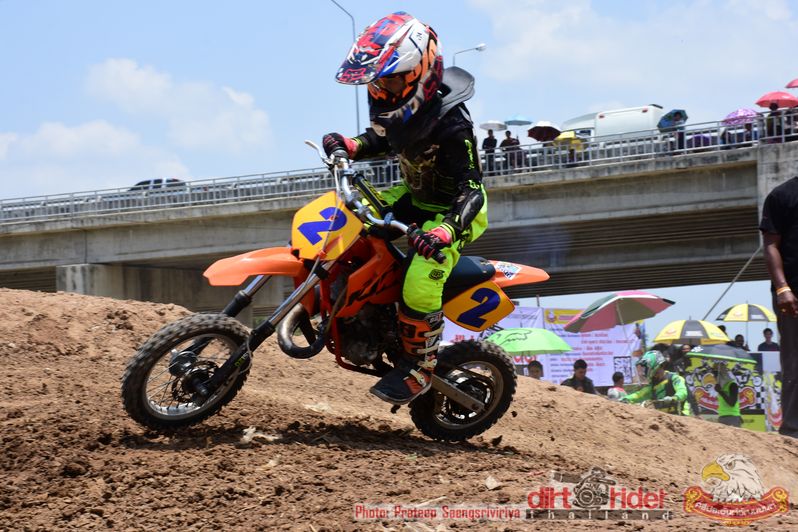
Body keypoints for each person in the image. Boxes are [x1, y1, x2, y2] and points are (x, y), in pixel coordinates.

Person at [322, 12, 488, 405]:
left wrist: (445, 231)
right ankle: (356, 310)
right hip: (413, 195)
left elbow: (472, 190)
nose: (382, 90)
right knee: (349, 222)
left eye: (391, 80)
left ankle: (420, 367)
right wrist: (350, 146)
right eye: (377, 82)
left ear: (420, 71)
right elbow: (383, 138)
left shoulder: (453, 126)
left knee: (420, 277)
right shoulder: (405, 109)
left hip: (453, 211)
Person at [760, 175, 798, 438]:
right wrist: (783, 288)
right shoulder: (782, 195)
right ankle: (793, 430)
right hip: (793, 294)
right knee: (795, 360)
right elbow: (771, 245)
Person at [621, 350, 693, 416]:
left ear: (657, 365)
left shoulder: (675, 378)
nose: (644, 371)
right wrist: (626, 399)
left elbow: (682, 392)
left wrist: (674, 398)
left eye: (647, 367)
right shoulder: (653, 386)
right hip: (665, 419)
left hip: (682, 416)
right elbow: (639, 394)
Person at [713, 361, 742, 427]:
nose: (714, 377)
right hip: (722, 417)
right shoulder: (722, 386)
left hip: (732, 417)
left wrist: (720, 392)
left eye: (716, 374)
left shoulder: (732, 385)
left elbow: (732, 403)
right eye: (714, 374)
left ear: (722, 374)